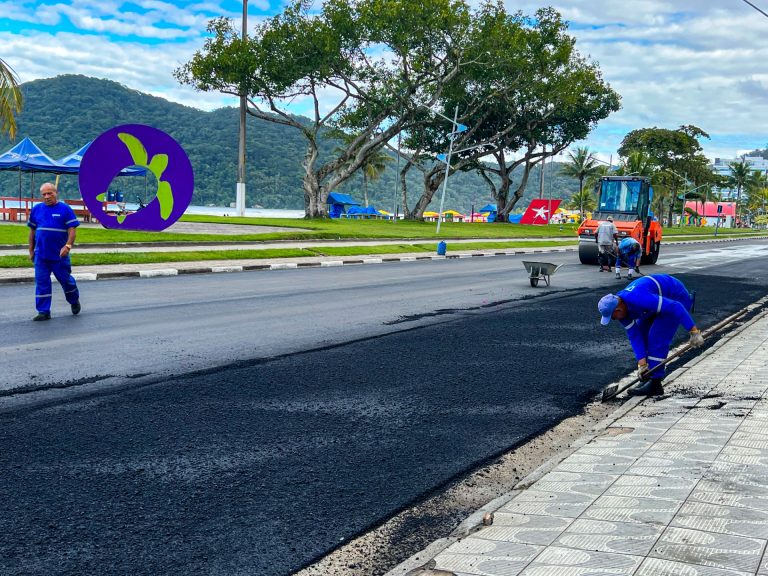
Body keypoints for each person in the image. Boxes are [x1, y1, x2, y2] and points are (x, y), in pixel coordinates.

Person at [598, 274, 704, 396]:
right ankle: (648, 378)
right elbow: (635, 336)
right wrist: (642, 364)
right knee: (642, 332)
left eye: (612, 317)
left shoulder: (639, 298)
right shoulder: (621, 307)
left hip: (676, 297)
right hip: (655, 302)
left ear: (618, 310)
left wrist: (694, 332)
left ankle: (655, 383)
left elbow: (676, 307)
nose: (614, 320)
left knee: (656, 338)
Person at [27, 182, 81, 321]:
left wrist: (68, 245)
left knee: (66, 281)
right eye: (43, 194)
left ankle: (74, 300)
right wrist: (31, 250)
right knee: (42, 283)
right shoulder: (37, 209)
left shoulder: (65, 209)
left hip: (59, 256)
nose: (46, 196)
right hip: (41, 255)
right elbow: (32, 231)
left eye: (49, 193)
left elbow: (72, 229)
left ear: (55, 193)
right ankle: (44, 311)